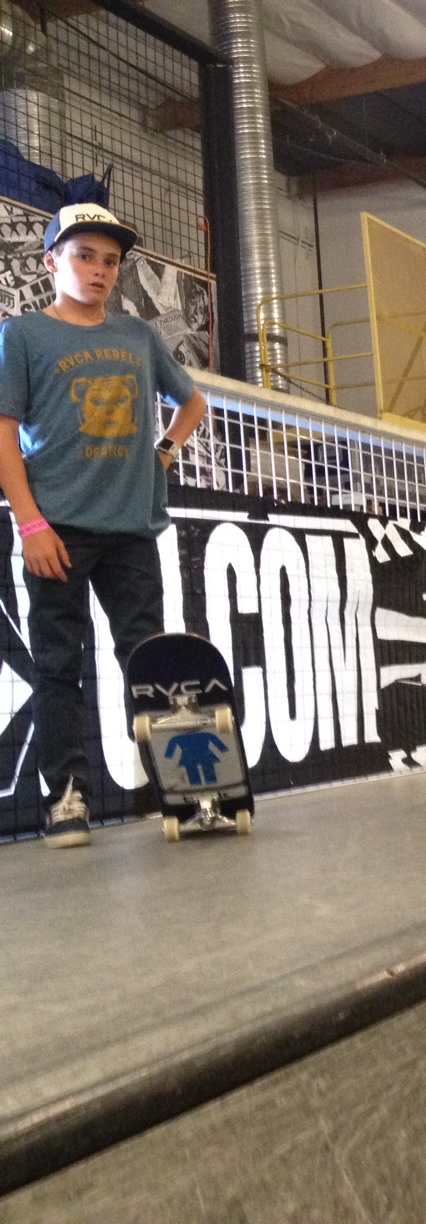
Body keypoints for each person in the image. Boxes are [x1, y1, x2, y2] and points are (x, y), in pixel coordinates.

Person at [0, 204, 209, 847]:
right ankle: (67, 799)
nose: (99, 270)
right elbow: (3, 435)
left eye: (111, 261)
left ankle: (185, 790)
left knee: (149, 660)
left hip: (130, 529)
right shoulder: (23, 335)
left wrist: (163, 454)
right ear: (51, 262)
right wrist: (30, 525)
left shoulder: (138, 336)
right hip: (57, 529)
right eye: (84, 256)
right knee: (58, 665)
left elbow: (192, 403)